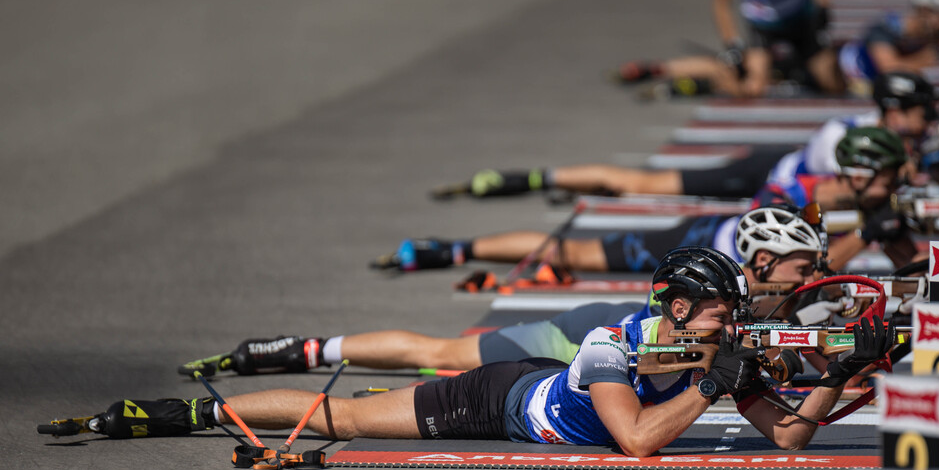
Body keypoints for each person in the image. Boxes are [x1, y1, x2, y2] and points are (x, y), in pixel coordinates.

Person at [51, 248, 894, 457]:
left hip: (547, 390)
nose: (729, 320)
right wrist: (709, 388)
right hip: (499, 400)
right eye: (718, 309)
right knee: (341, 420)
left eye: (733, 312)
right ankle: (184, 414)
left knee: (353, 414)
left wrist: (840, 376)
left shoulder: (719, 350)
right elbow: (638, 441)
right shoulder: (611, 345)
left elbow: (791, 437)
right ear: (677, 308)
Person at [183, 206, 839, 376]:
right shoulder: (711, 284)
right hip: (577, 336)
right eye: (802, 265)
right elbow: (679, 348)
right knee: (439, 355)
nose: (810, 276)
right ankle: (304, 350)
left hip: (599, 344)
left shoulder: (754, 292)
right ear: (762, 259)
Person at [393, 127, 913, 275]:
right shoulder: (796, 196)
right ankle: (454, 249)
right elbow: (812, 268)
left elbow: (912, 268)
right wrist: (867, 234)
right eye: (890, 177)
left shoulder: (859, 200)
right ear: (861, 174)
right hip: (702, 251)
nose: (897, 185)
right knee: (576, 255)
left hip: (730, 253)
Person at [426, 71, 939, 204]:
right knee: (639, 184)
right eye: (922, 114)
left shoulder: (884, 136)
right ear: (894, 112)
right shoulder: (843, 135)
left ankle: (559, 184)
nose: (928, 123)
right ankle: (529, 179)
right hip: (760, 176)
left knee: (636, 186)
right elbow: (844, 190)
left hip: (776, 175)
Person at [613, 0, 836, 98]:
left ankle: (783, 70)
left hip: (802, 18)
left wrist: (823, 3)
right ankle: (662, 71)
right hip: (765, 26)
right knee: (752, 87)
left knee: (832, 83)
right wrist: (732, 43)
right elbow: (721, 1)